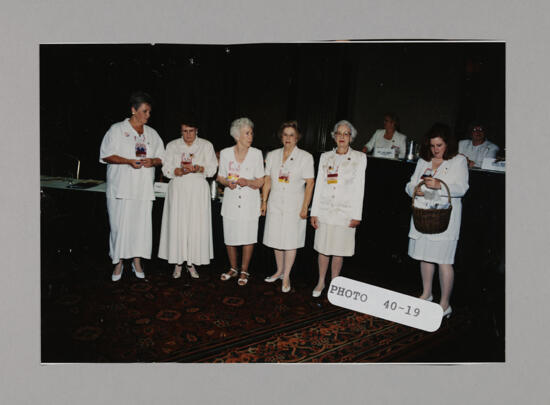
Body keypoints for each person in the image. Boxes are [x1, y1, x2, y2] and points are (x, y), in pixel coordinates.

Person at [405, 123, 469, 318]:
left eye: (439, 145)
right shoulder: (424, 161)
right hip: (424, 217)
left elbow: (461, 188)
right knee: (425, 256)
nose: (435, 150)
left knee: (443, 261)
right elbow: (410, 184)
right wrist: (414, 189)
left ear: (448, 144)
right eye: (433, 146)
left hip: (444, 219)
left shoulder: (458, 161)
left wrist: (440, 185)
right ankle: (427, 294)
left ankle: (445, 303)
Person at [99, 91, 165, 281]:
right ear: (133, 110)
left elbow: (162, 157)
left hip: (143, 189)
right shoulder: (117, 129)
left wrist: (152, 161)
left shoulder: (152, 133)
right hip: (121, 188)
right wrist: (128, 161)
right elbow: (105, 155)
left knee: (140, 227)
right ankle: (118, 263)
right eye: (144, 111)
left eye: (149, 112)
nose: (148, 115)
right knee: (119, 227)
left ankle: (137, 262)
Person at [310, 120, 367, 297]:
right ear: (334, 136)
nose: (342, 137)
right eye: (339, 133)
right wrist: (315, 212)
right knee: (323, 248)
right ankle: (321, 281)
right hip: (325, 210)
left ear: (351, 138)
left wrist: (356, 215)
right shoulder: (326, 157)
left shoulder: (359, 158)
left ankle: (335, 283)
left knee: (339, 250)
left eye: (346, 134)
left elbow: (360, 188)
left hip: (345, 212)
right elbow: (319, 185)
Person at [158, 116, 218, 279]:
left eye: (191, 131)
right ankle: (178, 263)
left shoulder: (206, 145)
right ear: (181, 131)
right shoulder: (172, 145)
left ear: (196, 130)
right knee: (178, 224)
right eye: (185, 131)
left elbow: (212, 169)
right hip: (178, 190)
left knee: (194, 225)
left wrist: (199, 168)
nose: (188, 135)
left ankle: (191, 263)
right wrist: (175, 171)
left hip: (198, 190)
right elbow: (166, 168)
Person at [261, 121, 315, 293]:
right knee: (276, 238)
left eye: (292, 135)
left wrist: (305, 206)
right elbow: (268, 179)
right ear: (281, 136)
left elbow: (310, 183)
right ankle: (279, 271)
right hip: (275, 202)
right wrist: (264, 201)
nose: (288, 138)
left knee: (291, 240)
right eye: (285, 134)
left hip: (295, 204)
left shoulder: (305, 157)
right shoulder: (272, 155)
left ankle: (287, 275)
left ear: (297, 137)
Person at [217, 118, 265, 286]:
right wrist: (226, 183)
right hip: (231, 201)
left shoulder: (256, 154)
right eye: (247, 133)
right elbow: (220, 176)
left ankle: (244, 270)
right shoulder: (225, 153)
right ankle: (233, 268)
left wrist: (249, 182)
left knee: (248, 236)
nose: (250, 136)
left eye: (251, 133)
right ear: (237, 135)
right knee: (229, 235)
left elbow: (261, 181)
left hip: (249, 202)